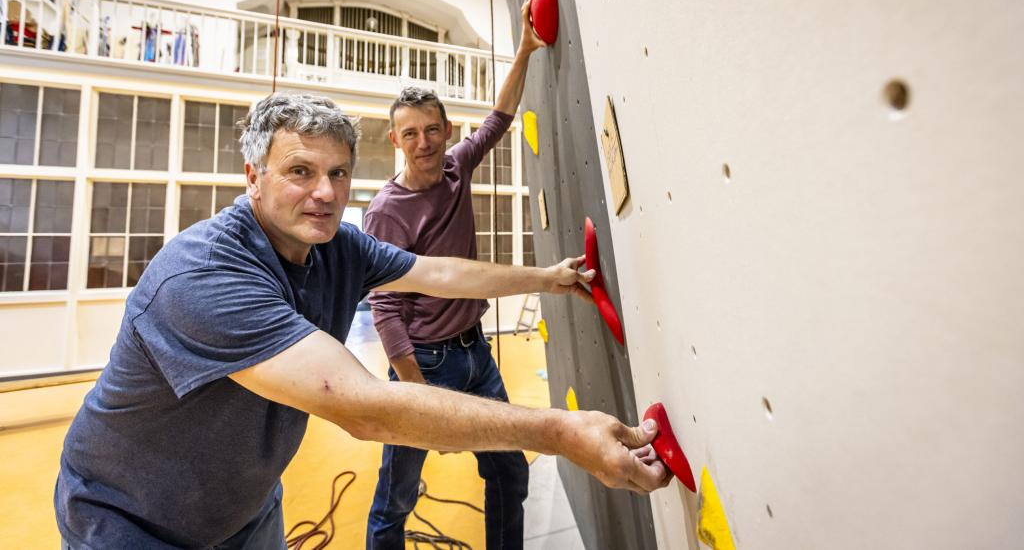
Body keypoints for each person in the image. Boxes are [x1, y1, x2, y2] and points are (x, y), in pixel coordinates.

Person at [54, 93, 670, 549]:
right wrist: (563, 433)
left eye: (338, 173)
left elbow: (440, 274)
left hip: (245, 505)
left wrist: (551, 279)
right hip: (129, 520)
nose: (324, 192)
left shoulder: (337, 246)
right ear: (253, 177)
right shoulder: (202, 278)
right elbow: (362, 407)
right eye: (300, 171)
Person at [364, 0, 549, 549]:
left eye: (432, 129)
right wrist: (419, 397)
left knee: (509, 471)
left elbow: (499, 119)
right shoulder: (385, 213)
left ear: (445, 130)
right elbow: (385, 308)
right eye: (410, 133)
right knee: (396, 496)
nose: (424, 142)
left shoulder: (454, 168)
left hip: (475, 355)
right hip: (425, 363)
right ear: (394, 139)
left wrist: (524, 49)